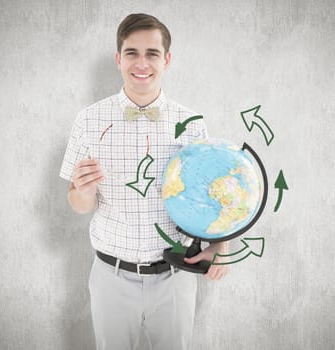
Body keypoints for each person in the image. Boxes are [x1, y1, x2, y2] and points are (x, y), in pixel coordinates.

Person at [59, 13, 229, 350]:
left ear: (166, 60)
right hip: (110, 275)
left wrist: (221, 248)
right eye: (132, 52)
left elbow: (209, 199)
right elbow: (78, 205)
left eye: (152, 53)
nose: (142, 62)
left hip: (175, 277)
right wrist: (82, 189)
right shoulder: (89, 120)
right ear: (118, 58)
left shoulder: (191, 124)